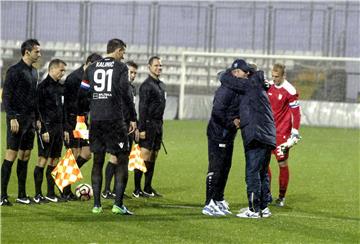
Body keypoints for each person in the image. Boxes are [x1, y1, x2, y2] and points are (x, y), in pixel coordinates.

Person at [78, 38, 137, 214]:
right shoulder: (120, 68)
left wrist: (90, 110)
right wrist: (132, 118)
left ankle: (96, 205)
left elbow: (82, 93)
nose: (123, 57)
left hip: (96, 120)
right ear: (118, 50)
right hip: (114, 120)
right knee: (122, 159)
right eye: (123, 53)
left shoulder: (91, 67)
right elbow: (126, 94)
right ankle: (118, 205)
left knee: (97, 160)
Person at [219, 59, 276, 218]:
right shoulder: (256, 85)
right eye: (234, 72)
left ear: (248, 73)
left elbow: (224, 78)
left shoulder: (250, 84)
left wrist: (226, 75)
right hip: (266, 134)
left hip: (256, 134)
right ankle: (263, 208)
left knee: (252, 172)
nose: (235, 75)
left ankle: (253, 209)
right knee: (262, 172)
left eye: (238, 72)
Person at [202, 60, 249, 216]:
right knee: (216, 168)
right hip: (218, 133)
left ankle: (218, 198)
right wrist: (232, 122)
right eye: (244, 71)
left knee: (225, 167)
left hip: (228, 134)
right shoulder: (226, 89)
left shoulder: (238, 88)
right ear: (236, 72)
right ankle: (209, 204)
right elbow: (217, 112)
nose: (247, 73)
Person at [1, 39, 41, 206]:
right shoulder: (14, 71)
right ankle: (2, 195)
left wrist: (37, 118)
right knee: (11, 155)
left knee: (25, 156)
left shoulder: (34, 72)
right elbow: (6, 96)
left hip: (30, 120)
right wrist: (12, 117)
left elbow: (34, 98)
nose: (39, 54)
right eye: (37, 51)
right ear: (27, 52)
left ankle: (21, 194)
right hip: (16, 120)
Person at [62, 53, 103, 200]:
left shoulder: (90, 78)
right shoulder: (73, 78)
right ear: (89, 63)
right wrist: (66, 127)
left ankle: (62, 178)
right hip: (73, 121)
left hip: (83, 121)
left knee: (86, 153)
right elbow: (65, 105)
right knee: (73, 154)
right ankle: (65, 189)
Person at [33, 59, 69, 203]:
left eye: (64, 71)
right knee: (42, 159)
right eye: (61, 70)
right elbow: (37, 110)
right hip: (46, 129)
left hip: (59, 128)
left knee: (55, 160)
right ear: (52, 69)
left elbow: (63, 110)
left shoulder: (61, 88)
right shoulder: (42, 87)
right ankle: (37, 194)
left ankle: (50, 193)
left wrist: (65, 129)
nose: (63, 73)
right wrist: (43, 129)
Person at [102, 60, 139, 199]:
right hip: (118, 127)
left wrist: (135, 124)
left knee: (123, 158)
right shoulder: (117, 87)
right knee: (114, 157)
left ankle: (117, 190)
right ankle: (106, 190)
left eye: (135, 73)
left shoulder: (131, 88)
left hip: (128, 128)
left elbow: (131, 109)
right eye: (131, 72)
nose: (133, 75)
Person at [267, 63, 301, 207]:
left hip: (282, 134)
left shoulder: (290, 90)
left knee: (282, 164)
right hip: (267, 132)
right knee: (263, 163)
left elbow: (296, 113)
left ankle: (281, 197)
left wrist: (295, 132)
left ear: (283, 76)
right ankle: (266, 194)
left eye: (277, 77)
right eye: (273, 76)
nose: (274, 79)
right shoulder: (268, 86)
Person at [133, 56, 166, 198]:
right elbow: (142, 108)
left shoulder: (161, 85)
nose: (159, 68)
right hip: (148, 124)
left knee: (153, 156)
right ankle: (137, 189)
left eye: (160, 66)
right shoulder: (146, 86)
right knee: (143, 156)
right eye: (156, 65)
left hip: (158, 125)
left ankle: (147, 187)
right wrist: (142, 129)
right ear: (149, 67)